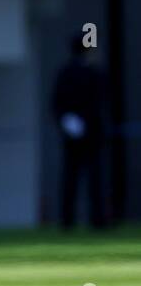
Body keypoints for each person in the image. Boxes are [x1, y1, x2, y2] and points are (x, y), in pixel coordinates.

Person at [52, 35, 108, 228]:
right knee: (86, 177)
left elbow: (56, 104)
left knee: (75, 177)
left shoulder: (66, 72)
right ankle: (93, 220)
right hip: (85, 132)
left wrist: (66, 121)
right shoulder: (92, 73)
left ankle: (69, 220)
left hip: (79, 132)